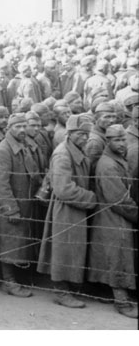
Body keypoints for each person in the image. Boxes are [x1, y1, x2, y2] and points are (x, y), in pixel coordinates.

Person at [37, 114, 97, 309]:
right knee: (64, 248)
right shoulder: (63, 154)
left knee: (73, 247)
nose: (85, 138)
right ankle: (61, 291)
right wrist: (91, 198)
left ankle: (70, 286)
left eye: (87, 134)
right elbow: (63, 189)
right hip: (67, 208)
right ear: (70, 133)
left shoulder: (76, 149)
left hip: (76, 207)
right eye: (81, 134)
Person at [88, 124, 138, 319]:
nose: (122, 143)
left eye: (124, 139)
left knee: (111, 254)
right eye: (117, 140)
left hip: (112, 215)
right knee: (118, 256)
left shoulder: (116, 159)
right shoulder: (108, 165)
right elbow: (119, 199)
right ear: (107, 141)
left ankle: (106, 293)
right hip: (113, 216)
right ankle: (121, 301)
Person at [0, 113, 42, 298]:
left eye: (24, 126)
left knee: (19, 242)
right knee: (9, 243)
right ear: (8, 128)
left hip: (25, 204)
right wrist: (11, 208)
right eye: (17, 126)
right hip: (11, 206)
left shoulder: (24, 146)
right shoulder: (3, 150)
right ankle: (8, 281)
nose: (22, 129)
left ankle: (18, 277)